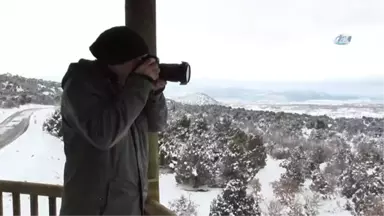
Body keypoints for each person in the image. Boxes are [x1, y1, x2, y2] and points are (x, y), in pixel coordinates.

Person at [59, 26, 168, 216]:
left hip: (128, 208)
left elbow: (157, 124)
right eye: (137, 61)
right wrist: (140, 83)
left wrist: (154, 94)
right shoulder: (80, 86)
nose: (142, 66)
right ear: (115, 62)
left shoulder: (129, 90)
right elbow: (104, 134)